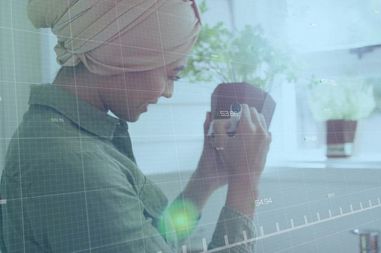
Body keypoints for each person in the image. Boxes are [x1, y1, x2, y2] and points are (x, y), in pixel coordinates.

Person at [0, 0, 271, 252]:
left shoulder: (70, 138)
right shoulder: (77, 165)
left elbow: (151, 238)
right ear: (124, 55)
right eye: (171, 74)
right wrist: (246, 184)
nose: (168, 93)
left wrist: (206, 178)